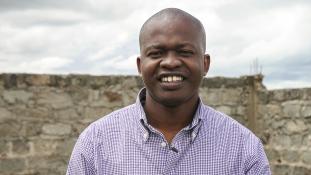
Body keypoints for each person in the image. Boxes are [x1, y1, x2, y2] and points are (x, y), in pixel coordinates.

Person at [66, 8, 271, 175]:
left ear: (205, 63)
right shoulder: (95, 143)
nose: (171, 62)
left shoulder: (244, 148)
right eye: (156, 53)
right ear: (140, 65)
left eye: (185, 52)